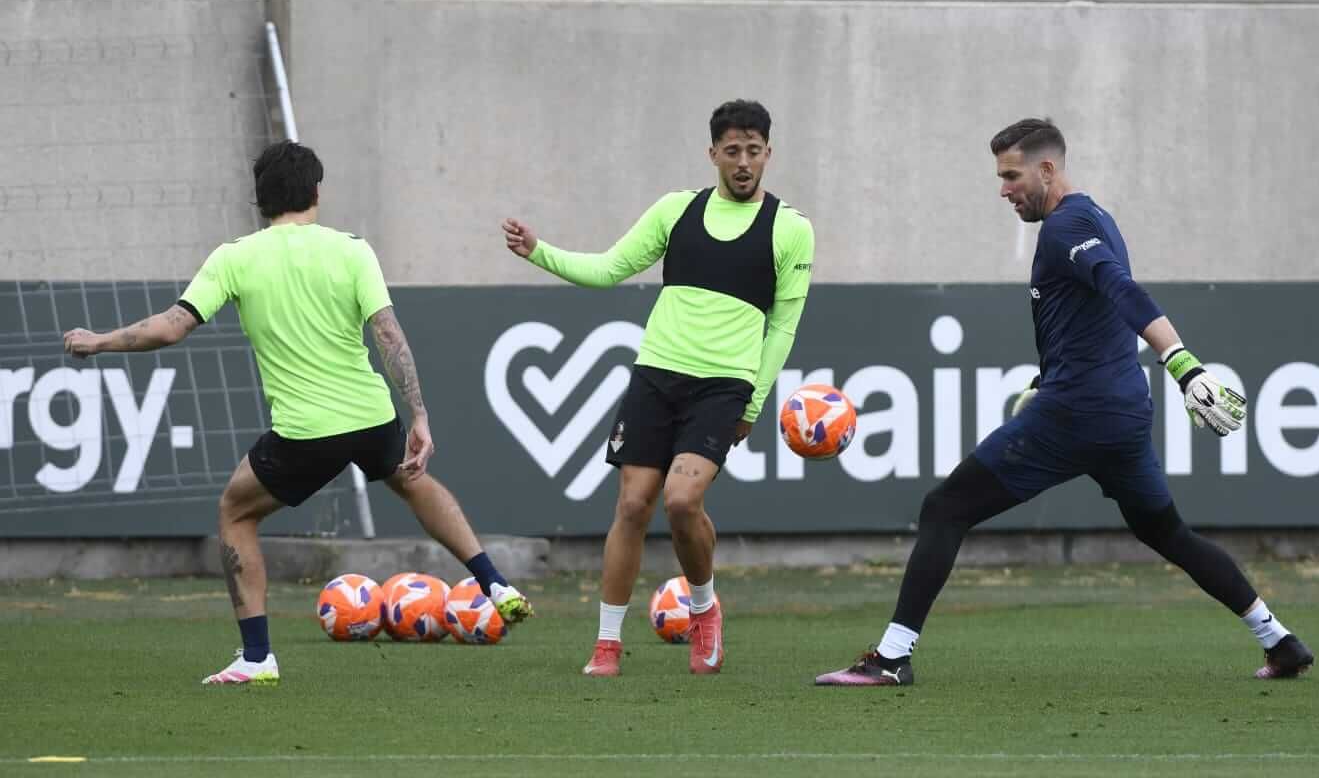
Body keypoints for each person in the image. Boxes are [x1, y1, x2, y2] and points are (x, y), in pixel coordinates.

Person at [814, 118, 1314, 687]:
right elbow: (1089, 316)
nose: (1004, 189)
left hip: (1078, 411)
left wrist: (1182, 362)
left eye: (1011, 175)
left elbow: (1122, 290)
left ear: (1047, 169)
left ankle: (891, 657)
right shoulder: (1095, 216)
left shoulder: (1065, 225)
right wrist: (1047, 376)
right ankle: (1279, 639)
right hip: (1120, 411)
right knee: (1167, 532)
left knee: (945, 508)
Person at [63, 140, 533, 686]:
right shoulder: (353, 249)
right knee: (413, 482)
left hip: (307, 431)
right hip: (370, 413)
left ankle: (258, 658)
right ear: (315, 192)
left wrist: (98, 342)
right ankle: (494, 581)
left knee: (236, 514)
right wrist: (420, 415)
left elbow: (172, 326)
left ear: (259, 202)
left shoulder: (234, 257)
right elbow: (389, 337)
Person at [502, 99, 814, 677]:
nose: (743, 162)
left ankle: (703, 609)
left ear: (769, 153)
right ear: (712, 153)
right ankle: (607, 644)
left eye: (753, 150)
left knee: (680, 500)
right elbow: (609, 269)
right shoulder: (677, 211)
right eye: (732, 150)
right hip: (657, 373)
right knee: (632, 504)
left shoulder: (790, 229)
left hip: (724, 385)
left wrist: (753, 400)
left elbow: (783, 328)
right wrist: (538, 251)